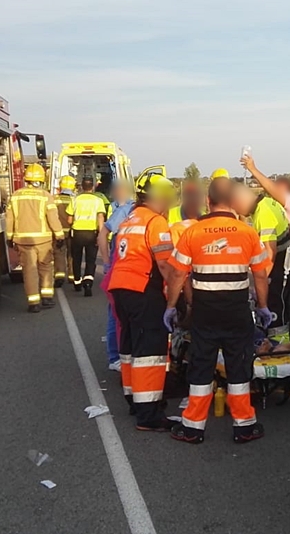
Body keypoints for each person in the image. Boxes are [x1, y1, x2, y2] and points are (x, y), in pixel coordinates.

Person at [164, 180, 271, 445]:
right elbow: (260, 274)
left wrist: (170, 306)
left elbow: (178, 273)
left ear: (208, 202)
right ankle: (244, 425)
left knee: (201, 366)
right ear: (233, 203)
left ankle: (193, 427)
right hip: (236, 312)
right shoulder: (247, 232)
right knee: (238, 366)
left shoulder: (194, 232)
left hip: (205, 312)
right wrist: (263, 306)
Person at [107, 173, 178, 431]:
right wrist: (174, 300)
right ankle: (148, 414)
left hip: (121, 288)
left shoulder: (130, 218)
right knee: (150, 351)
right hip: (143, 289)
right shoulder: (155, 222)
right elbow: (165, 265)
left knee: (130, 346)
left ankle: (134, 400)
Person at [241, 154, 290, 338]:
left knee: (284, 310)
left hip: (288, 265)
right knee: (288, 312)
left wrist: (253, 169)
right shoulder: (273, 208)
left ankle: (288, 350)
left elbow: (269, 252)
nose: (273, 193)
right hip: (288, 263)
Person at [233, 183, 290, 349]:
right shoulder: (267, 203)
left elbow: (269, 251)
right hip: (285, 264)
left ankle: (278, 348)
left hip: (279, 267)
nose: (239, 213)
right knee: (285, 309)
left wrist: (261, 281)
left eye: (236, 207)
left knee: (274, 308)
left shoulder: (263, 213)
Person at [5, 164, 64, 313]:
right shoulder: (45, 196)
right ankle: (47, 298)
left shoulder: (15, 196)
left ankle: (33, 303)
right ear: (41, 180)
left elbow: (9, 218)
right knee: (45, 267)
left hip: (23, 240)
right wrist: (59, 235)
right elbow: (53, 218)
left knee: (29, 270)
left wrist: (9, 236)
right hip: (43, 239)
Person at [98, 179, 135, 372]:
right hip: (119, 271)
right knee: (116, 316)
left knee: (118, 315)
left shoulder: (126, 208)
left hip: (122, 270)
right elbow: (103, 233)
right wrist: (106, 262)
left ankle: (118, 355)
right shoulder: (127, 209)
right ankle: (115, 357)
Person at [68, 176, 106, 296]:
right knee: (91, 260)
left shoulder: (75, 200)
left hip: (77, 233)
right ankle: (88, 282)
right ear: (93, 186)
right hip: (91, 234)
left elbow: (69, 220)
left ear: (81, 186)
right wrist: (100, 234)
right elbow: (100, 218)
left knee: (77, 258)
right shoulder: (98, 201)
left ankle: (77, 281)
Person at [52, 175, 76, 288]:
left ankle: (59, 276)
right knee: (72, 254)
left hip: (58, 233)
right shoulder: (75, 200)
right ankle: (72, 276)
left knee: (59, 254)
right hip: (73, 232)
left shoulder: (54, 199)